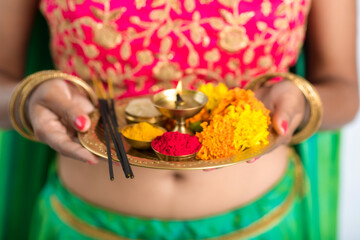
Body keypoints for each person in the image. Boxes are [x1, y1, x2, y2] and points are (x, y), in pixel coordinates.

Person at [0, 0, 358, 239]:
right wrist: (27, 99)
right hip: (82, 224)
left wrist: (302, 102)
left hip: (260, 225)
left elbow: (344, 89)